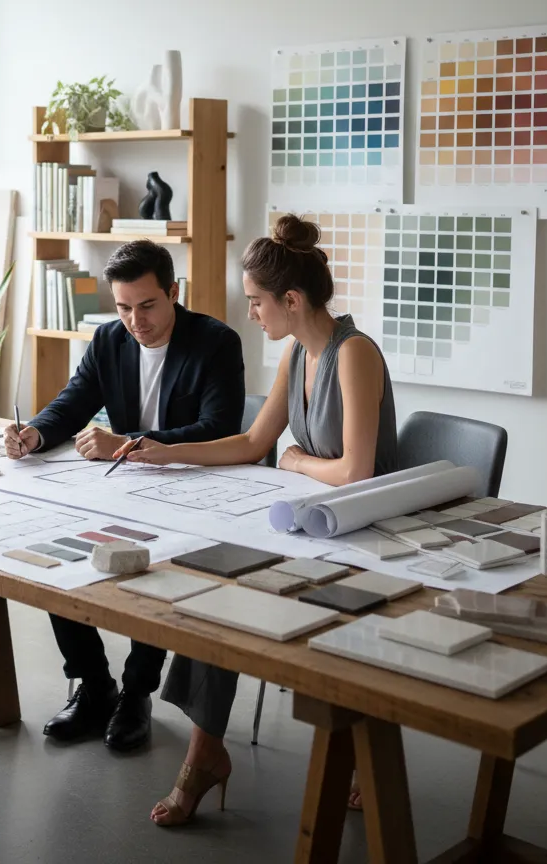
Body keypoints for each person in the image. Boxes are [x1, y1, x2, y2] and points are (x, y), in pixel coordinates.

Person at [113, 213, 398, 826]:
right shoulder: (297, 352)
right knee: (215, 586)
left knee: (237, 589)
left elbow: (357, 472)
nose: (252, 316)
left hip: (368, 537)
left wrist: (294, 459)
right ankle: (206, 749)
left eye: (257, 303)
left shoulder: (355, 355)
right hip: (317, 524)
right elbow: (250, 444)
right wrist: (165, 451)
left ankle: (218, 756)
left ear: (291, 300)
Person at [3, 240, 245, 753]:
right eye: (123, 307)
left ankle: (136, 693)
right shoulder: (109, 340)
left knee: (149, 568)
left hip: (192, 488)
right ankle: (94, 686)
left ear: (173, 293)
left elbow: (218, 427)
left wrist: (129, 442)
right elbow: (73, 402)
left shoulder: (215, 341)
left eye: (148, 305)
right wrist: (37, 435)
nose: (136, 320)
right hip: (121, 487)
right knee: (54, 550)